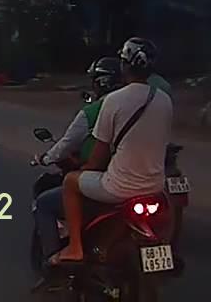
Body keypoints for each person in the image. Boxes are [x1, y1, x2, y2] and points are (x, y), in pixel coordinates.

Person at [51, 37, 173, 265]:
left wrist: (84, 169)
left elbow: (98, 156)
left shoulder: (114, 101)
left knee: (70, 182)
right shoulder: (164, 100)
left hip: (118, 186)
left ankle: (75, 247)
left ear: (124, 66)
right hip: (156, 187)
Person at [32, 57, 124, 268]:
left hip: (111, 181)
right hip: (148, 181)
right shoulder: (148, 103)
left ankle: (59, 258)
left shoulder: (95, 112)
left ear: (99, 82)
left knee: (46, 202)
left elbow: (68, 145)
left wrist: (46, 158)